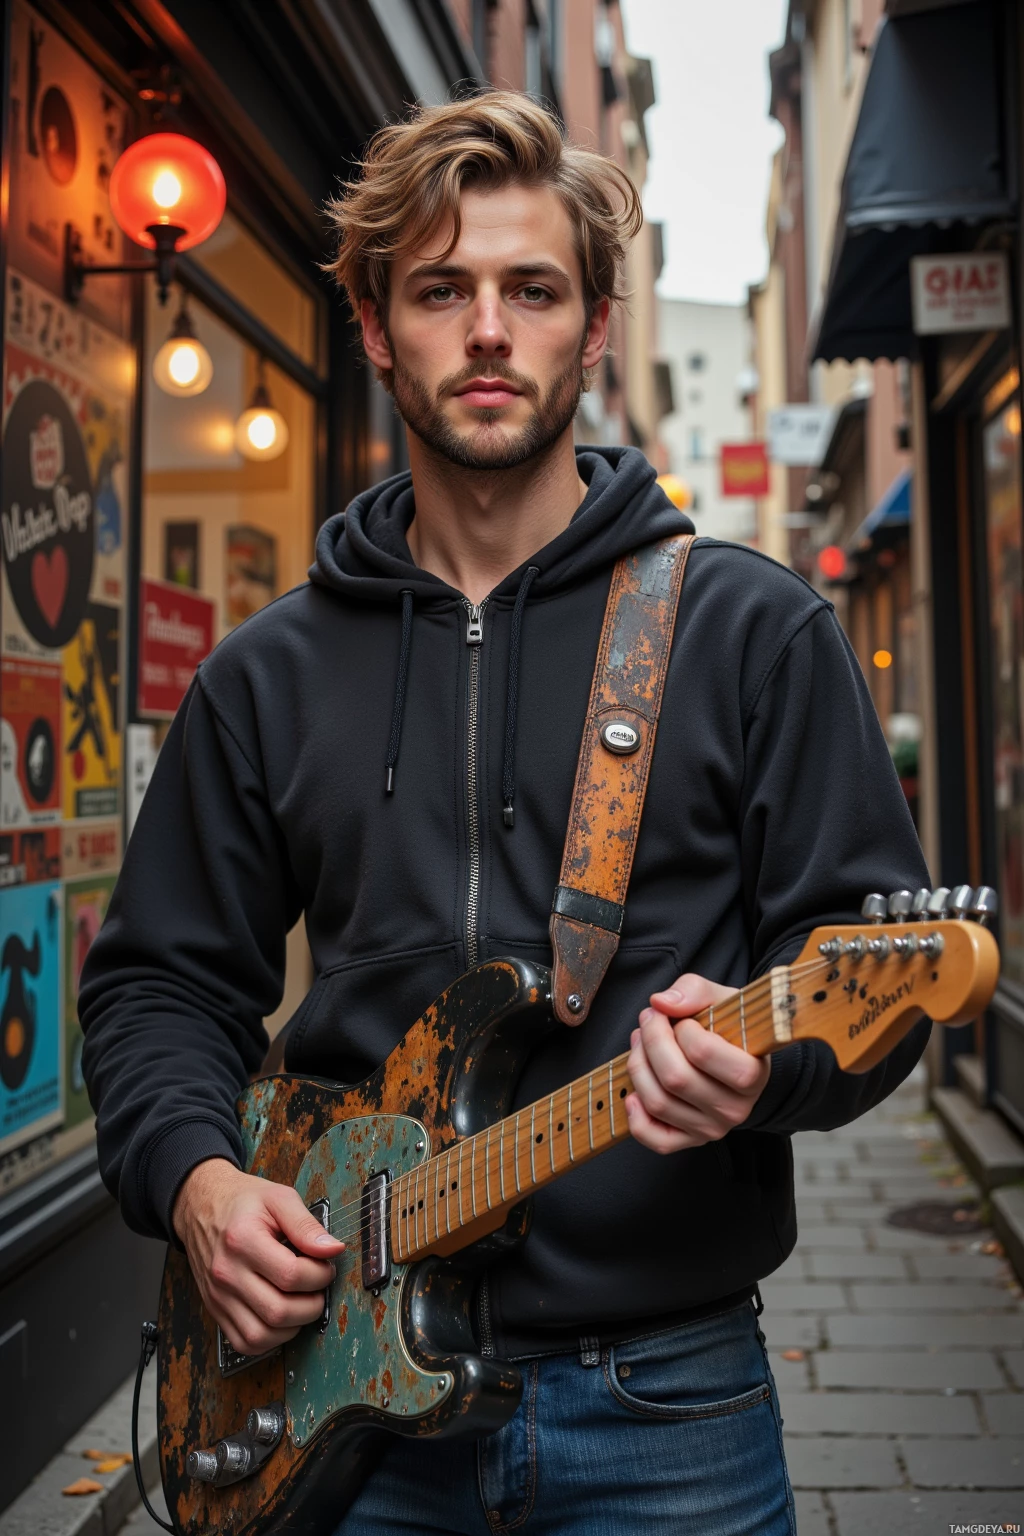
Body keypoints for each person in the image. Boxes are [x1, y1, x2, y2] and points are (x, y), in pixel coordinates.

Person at [81, 91, 930, 1535]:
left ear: (595, 325)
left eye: (533, 289)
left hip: (665, 1398)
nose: (489, 330)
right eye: (441, 290)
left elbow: (864, 967)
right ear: (372, 323)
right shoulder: (266, 675)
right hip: (329, 1390)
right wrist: (203, 1184)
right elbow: (162, 980)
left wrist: (770, 1073)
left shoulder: (753, 633)